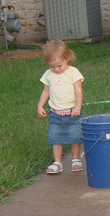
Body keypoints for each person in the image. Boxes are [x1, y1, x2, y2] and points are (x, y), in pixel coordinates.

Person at [37, 40, 84, 174]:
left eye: (59, 65)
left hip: (72, 113)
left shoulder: (73, 73)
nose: (56, 69)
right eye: (52, 66)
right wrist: (40, 106)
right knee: (55, 138)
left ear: (67, 58)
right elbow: (46, 92)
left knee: (75, 137)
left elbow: (78, 91)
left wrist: (77, 107)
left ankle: (75, 159)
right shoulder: (48, 74)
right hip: (55, 114)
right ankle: (58, 162)